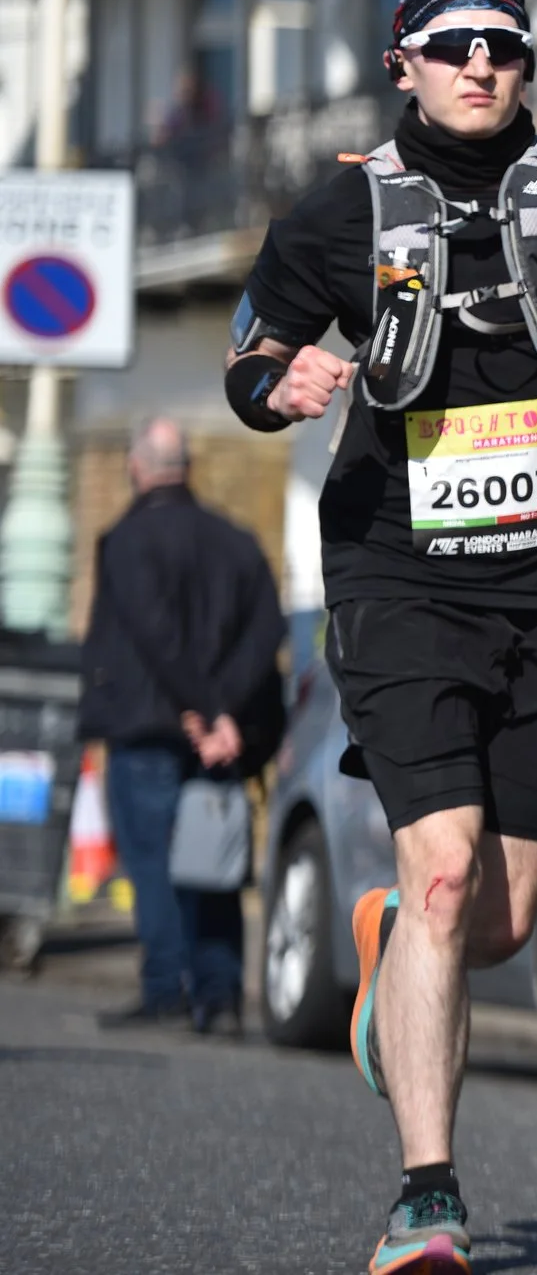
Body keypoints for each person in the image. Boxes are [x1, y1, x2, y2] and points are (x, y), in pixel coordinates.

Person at [222, 0, 537, 1275]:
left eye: (504, 45)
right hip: (400, 581)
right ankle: (428, 1193)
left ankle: (390, 947)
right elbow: (253, 353)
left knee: (502, 919)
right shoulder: (340, 213)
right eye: (454, 43)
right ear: (404, 63)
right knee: (440, 873)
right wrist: (280, 387)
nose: (481, 64)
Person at [78, 416, 286, 1036]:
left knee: (153, 861)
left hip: (150, 728)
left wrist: (204, 709)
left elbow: (155, 635)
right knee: (213, 860)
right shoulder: (238, 541)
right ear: (188, 469)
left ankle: (166, 986)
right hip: (220, 739)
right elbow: (267, 634)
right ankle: (219, 997)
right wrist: (224, 712)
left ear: (136, 468)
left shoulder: (127, 539)